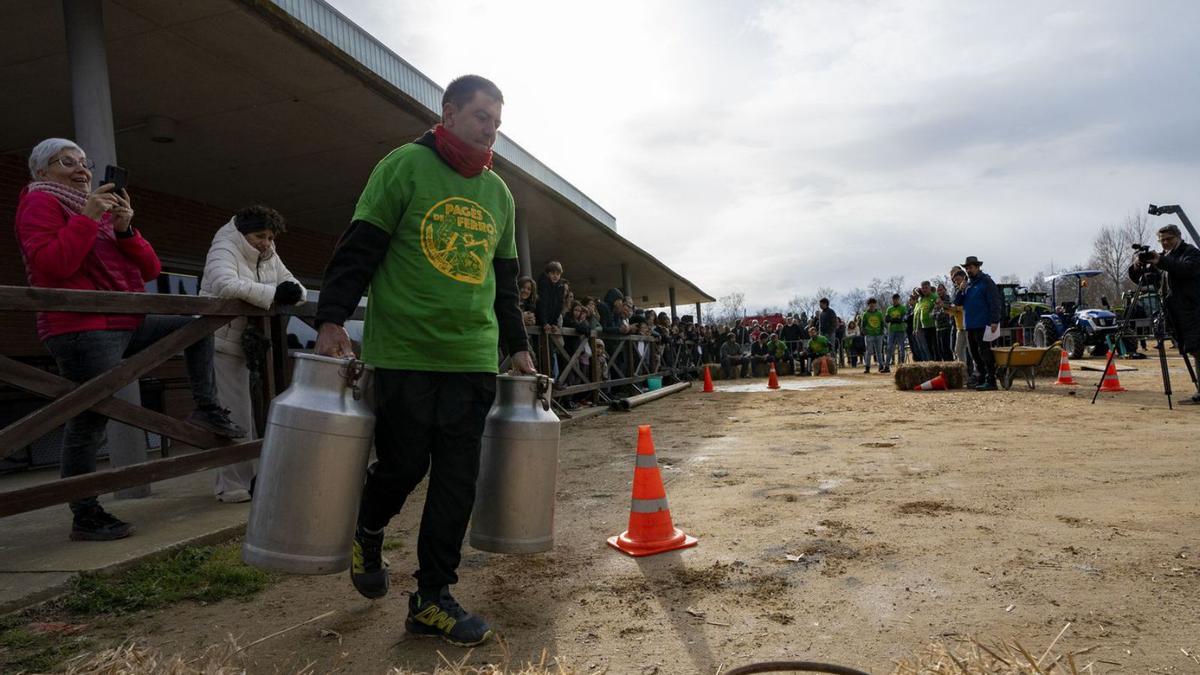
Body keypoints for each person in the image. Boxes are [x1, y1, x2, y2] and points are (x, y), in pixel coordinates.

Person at [312, 75, 535, 646]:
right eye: (483, 116)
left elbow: (504, 283)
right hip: (406, 352)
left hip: (470, 356)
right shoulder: (403, 166)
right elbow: (358, 247)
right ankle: (367, 527)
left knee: (457, 481)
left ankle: (432, 597)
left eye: (498, 122)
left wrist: (517, 346)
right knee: (403, 466)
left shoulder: (500, 195)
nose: (491, 129)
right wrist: (331, 319)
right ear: (451, 110)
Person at [14, 138, 245, 541]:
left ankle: (207, 407)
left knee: (194, 325)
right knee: (91, 415)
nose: (81, 170)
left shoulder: (100, 211)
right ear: (41, 172)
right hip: (81, 327)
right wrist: (87, 215)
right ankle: (85, 513)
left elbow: (151, 266)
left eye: (84, 162)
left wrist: (125, 228)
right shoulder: (40, 202)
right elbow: (54, 265)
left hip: (128, 319)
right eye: (67, 162)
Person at [200, 205, 306, 503]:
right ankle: (231, 486)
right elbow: (223, 284)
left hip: (253, 344)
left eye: (271, 237)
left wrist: (292, 293)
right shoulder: (224, 245)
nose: (267, 242)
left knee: (255, 413)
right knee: (233, 414)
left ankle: (251, 480)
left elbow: (295, 286)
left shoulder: (267, 253)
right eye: (261, 235)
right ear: (243, 233)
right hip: (219, 343)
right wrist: (274, 294)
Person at [1129, 224, 1200, 403]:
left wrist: (1160, 260)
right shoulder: (1166, 257)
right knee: (1191, 349)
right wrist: (1138, 266)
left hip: (1193, 310)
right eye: (1162, 240)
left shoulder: (1190, 252)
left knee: (1198, 349)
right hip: (1176, 312)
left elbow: (1185, 269)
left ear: (1178, 237)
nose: (1166, 243)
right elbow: (1146, 279)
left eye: (1169, 239)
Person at [954, 256, 1002, 390]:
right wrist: (961, 289)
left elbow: (995, 302)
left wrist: (994, 320)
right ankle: (981, 377)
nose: (969, 270)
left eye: (971, 267)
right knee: (974, 354)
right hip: (970, 325)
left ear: (978, 267)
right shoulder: (967, 284)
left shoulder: (986, 282)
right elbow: (957, 303)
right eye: (967, 268)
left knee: (985, 353)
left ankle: (991, 380)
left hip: (984, 323)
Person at [914, 281, 939, 361]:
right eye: (923, 288)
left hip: (934, 326)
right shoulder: (921, 298)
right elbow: (916, 291)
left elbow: (938, 308)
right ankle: (931, 364)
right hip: (925, 327)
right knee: (928, 347)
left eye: (926, 288)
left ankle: (937, 363)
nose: (924, 290)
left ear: (929, 288)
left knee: (935, 347)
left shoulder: (934, 296)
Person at [860, 298, 885, 373]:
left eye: (873, 303)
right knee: (869, 351)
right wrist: (865, 332)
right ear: (868, 305)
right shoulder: (865, 314)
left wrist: (881, 332)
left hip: (878, 335)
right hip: (869, 335)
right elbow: (862, 325)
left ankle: (881, 366)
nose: (872, 305)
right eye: (870, 304)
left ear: (875, 304)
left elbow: (882, 323)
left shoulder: (879, 313)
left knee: (879, 351)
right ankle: (867, 367)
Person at [883, 293, 907, 372]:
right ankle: (887, 366)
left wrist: (892, 320)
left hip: (900, 330)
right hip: (891, 330)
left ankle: (902, 365)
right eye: (893, 299)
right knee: (889, 348)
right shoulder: (889, 309)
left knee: (901, 348)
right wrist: (896, 319)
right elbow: (886, 319)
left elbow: (902, 319)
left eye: (896, 299)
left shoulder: (903, 308)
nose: (895, 301)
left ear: (899, 299)